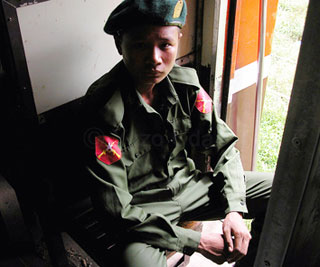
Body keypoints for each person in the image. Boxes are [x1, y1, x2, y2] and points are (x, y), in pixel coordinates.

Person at [81, 0, 273, 266]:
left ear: (178, 40)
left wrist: (234, 210)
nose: (155, 59)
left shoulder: (187, 88)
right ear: (119, 44)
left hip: (190, 187)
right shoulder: (105, 111)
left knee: (280, 190)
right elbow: (116, 211)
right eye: (139, 45)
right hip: (142, 211)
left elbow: (224, 148)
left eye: (165, 45)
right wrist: (198, 241)